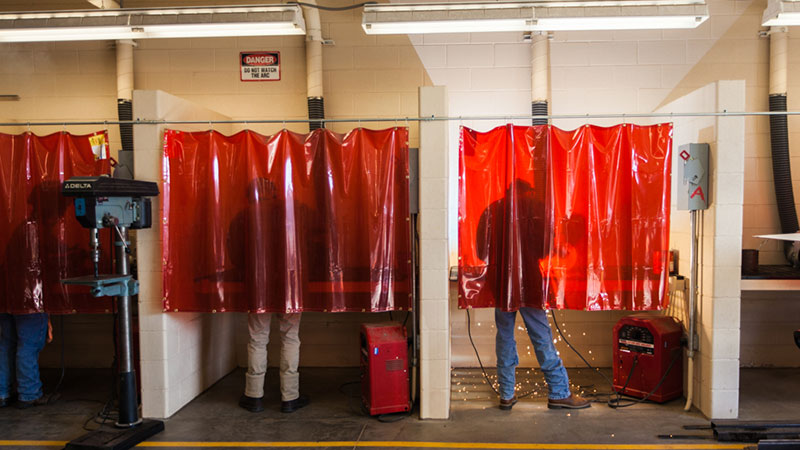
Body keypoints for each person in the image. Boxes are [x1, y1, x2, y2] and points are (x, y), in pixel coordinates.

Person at [476, 179, 590, 410]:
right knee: (541, 335)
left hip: (500, 284)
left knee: (505, 336)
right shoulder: (536, 209)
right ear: (527, 191)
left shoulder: (492, 209)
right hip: (528, 281)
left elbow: (481, 250)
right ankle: (559, 392)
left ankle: (507, 394)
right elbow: (544, 248)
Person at [230, 177, 309, 414]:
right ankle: (290, 397)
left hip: (258, 285)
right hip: (290, 285)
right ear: (276, 193)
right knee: (290, 337)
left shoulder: (243, 216)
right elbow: (310, 244)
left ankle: (253, 395)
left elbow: (233, 250)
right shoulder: (294, 213)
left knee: (257, 338)